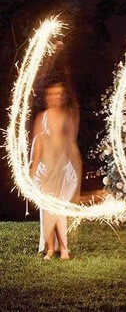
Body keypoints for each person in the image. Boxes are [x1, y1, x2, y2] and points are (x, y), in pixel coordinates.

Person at [29, 81, 82, 260]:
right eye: (52, 94)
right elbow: (34, 158)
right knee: (47, 211)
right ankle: (51, 248)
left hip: (62, 172)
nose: (55, 97)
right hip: (44, 175)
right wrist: (29, 181)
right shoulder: (41, 122)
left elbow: (72, 148)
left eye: (59, 94)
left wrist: (77, 181)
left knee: (59, 210)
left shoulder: (68, 117)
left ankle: (64, 248)